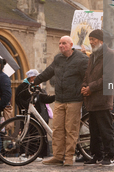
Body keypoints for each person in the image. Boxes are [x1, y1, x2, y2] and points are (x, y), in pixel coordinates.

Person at [33, 36, 89, 166]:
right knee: (57, 128)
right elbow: (48, 72)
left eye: (64, 43)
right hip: (59, 99)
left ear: (71, 44)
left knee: (71, 129)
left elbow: (87, 77)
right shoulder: (58, 58)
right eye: (59, 43)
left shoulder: (81, 59)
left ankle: (69, 157)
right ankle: (58, 156)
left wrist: (85, 89)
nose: (61, 46)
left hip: (74, 99)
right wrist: (35, 81)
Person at [81, 29, 114, 166]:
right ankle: (97, 155)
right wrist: (84, 86)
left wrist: (91, 87)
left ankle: (110, 155)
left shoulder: (110, 55)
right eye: (90, 40)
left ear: (101, 41)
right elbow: (87, 75)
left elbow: (108, 78)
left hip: (102, 98)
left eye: (93, 40)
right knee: (94, 130)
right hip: (91, 99)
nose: (91, 42)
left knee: (105, 130)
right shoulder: (93, 56)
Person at [15, 69, 55, 160]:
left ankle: (33, 154)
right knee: (26, 134)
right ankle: (23, 154)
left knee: (35, 134)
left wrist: (54, 97)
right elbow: (18, 100)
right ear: (32, 77)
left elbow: (43, 98)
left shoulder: (36, 87)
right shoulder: (22, 87)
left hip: (36, 114)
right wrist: (28, 105)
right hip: (26, 114)